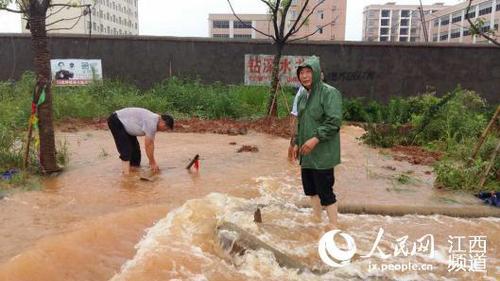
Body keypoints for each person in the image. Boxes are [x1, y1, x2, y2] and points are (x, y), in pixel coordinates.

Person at [289, 56, 342, 229]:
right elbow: (301, 121)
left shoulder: (329, 93)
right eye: (301, 73)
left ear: (317, 73)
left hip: (323, 153)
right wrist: (296, 142)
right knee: (311, 190)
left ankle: (333, 227)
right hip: (306, 153)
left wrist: (315, 138)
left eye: (308, 72)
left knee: (326, 191)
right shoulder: (303, 95)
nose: (304, 76)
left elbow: (334, 122)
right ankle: (317, 221)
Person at [107, 107, 174, 175]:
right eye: (166, 128)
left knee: (136, 153)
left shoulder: (154, 120)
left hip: (127, 126)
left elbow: (150, 143)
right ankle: (126, 177)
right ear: (163, 122)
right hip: (116, 120)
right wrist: (152, 162)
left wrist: (151, 161)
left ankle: (133, 174)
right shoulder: (152, 123)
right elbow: (149, 144)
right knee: (126, 151)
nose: (163, 130)